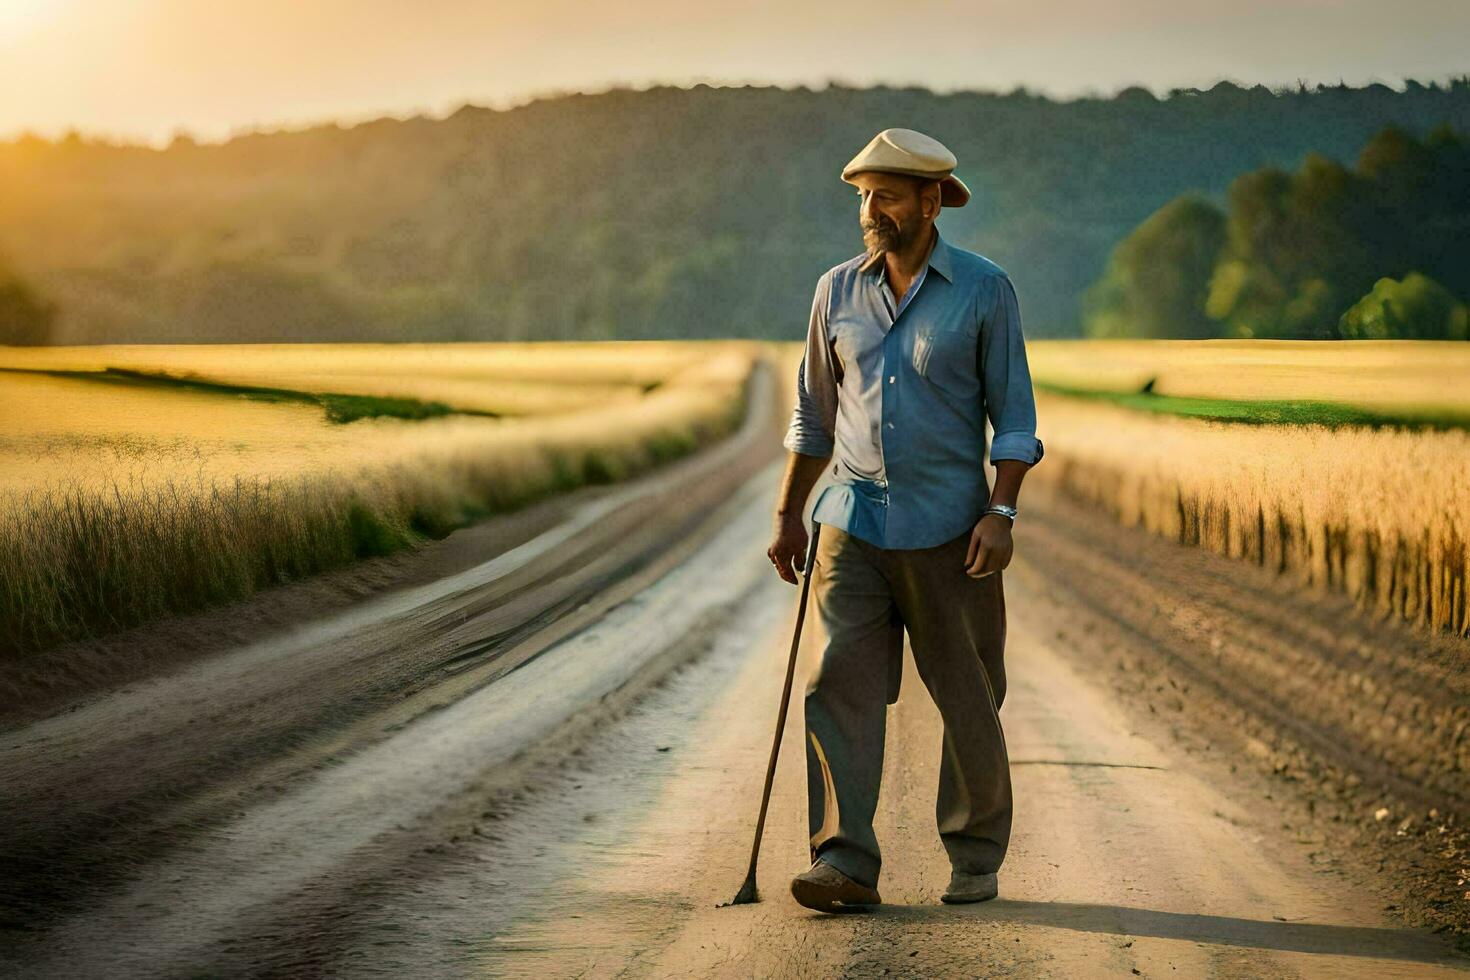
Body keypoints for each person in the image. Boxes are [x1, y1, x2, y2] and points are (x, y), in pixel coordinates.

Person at [767, 127, 1045, 914]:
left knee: (968, 694)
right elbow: (812, 417)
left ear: (931, 202)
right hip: (849, 526)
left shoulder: (986, 290)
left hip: (952, 532)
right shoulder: (835, 291)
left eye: (886, 195)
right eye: (863, 196)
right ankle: (843, 862)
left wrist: (1001, 511)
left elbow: (1015, 419)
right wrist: (790, 513)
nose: (870, 210)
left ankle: (974, 853)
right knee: (836, 686)